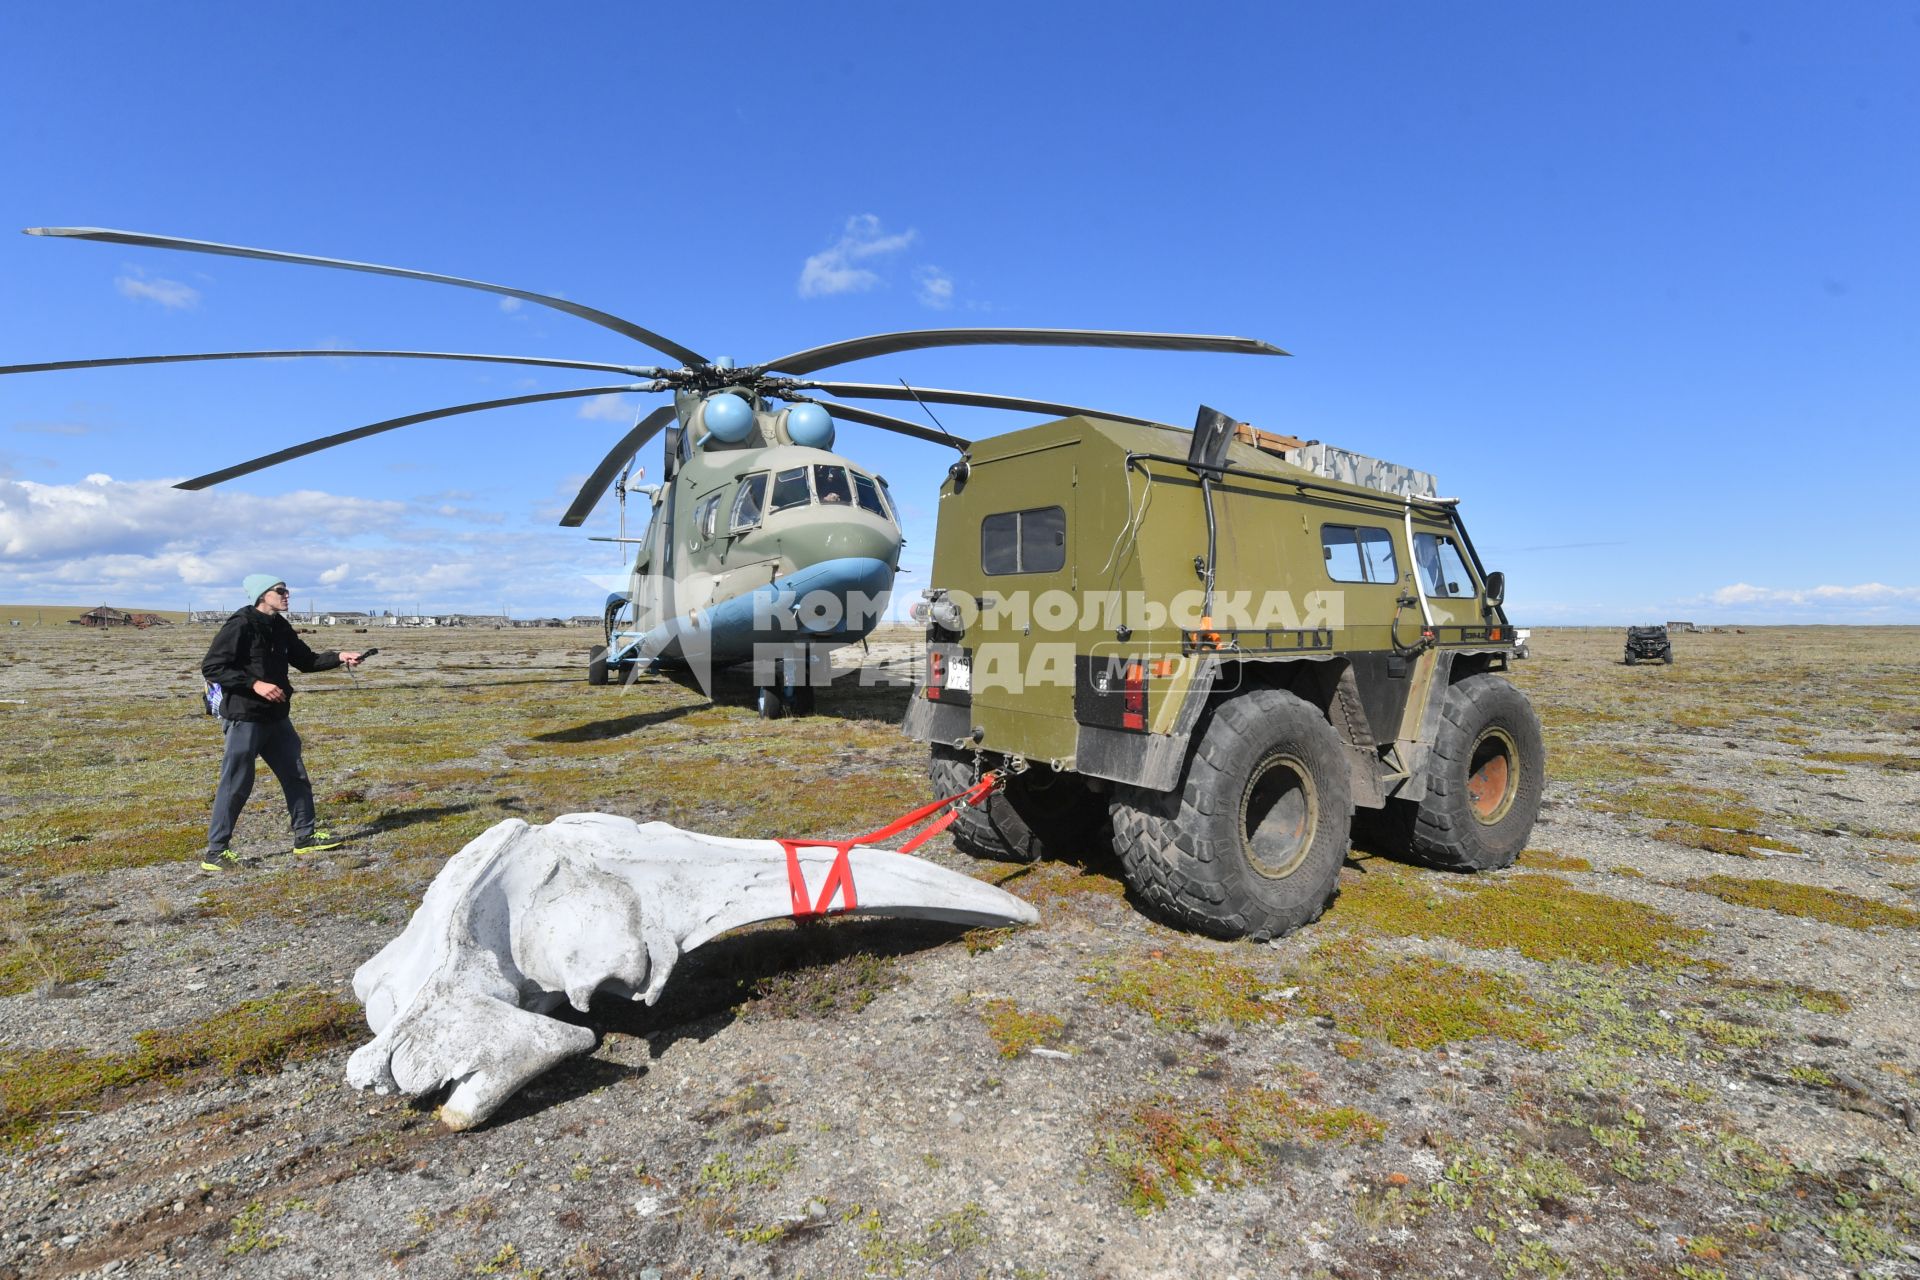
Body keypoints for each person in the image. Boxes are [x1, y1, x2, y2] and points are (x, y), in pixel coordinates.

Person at [198, 574, 363, 871]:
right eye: (281, 591)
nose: (287, 595)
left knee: (295, 774)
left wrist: (340, 657)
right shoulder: (240, 624)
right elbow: (212, 667)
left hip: (277, 717)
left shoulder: (280, 626)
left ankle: (305, 836)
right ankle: (216, 853)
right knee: (236, 783)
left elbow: (305, 660)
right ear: (262, 595)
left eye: (287, 590)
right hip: (245, 717)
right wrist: (254, 684)